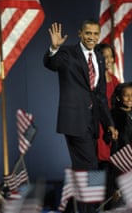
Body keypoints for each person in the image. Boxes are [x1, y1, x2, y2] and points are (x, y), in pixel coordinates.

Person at [43, 20, 118, 213]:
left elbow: (100, 96)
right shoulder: (68, 53)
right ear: (80, 33)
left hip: (91, 122)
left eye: (95, 34)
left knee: (86, 168)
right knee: (90, 167)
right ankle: (87, 209)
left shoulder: (100, 58)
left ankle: (80, 207)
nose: (91, 37)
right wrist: (54, 48)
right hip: (74, 120)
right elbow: (51, 63)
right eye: (88, 33)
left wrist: (109, 124)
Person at [96, 43, 120, 168]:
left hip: (112, 123)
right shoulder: (95, 79)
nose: (108, 60)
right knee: (101, 159)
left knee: (113, 159)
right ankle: (99, 186)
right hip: (100, 124)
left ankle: (111, 187)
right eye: (105, 57)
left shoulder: (115, 80)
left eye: (111, 56)